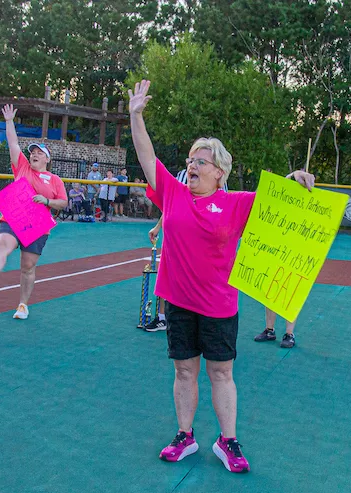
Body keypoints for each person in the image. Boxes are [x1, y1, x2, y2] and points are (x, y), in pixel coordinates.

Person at [129, 79, 314, 473]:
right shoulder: (174, 194)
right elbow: (146, 155)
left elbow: (282, 201)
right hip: (177, 301)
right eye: (191, 160)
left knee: (221, 372)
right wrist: (135, 114)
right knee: (183, 369)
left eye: (201, 161)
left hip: (218, 305)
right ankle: (185, 436)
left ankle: (227, 441)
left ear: (220, 172)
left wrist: (297, 181)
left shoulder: (236, 203)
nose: (192, 166)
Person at [0, 105, 69, 319]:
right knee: (3, 245)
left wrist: (47, 200)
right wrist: (9, 121)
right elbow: (13, 143)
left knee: (27, 266)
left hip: (38, 224)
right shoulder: (22, 167)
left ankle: (23, 305)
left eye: (39, 153)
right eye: (33, 153)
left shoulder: (55, 180)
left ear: (47, 159)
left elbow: (63, 202)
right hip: (14, 216)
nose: (34, 155)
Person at [144, 170, 229, 332]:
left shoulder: (218, 179)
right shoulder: (184, 175)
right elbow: (172, 204)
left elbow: (222, 210)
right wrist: (158, 226)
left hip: (204, 239)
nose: (195, 164)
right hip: (179, 237)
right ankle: (163, 317)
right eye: (192, 159)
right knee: (168, 272)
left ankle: (201, 317)